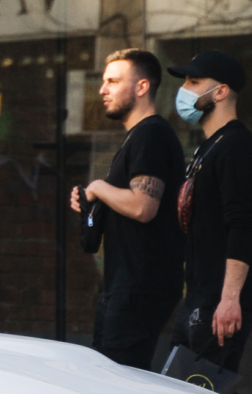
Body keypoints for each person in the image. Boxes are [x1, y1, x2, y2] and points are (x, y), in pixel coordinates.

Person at [67, 48, 186, 368]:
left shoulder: (151, 135)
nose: (102, 90)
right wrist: (93, 204)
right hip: (126, 285)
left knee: (120, 386)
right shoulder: (139, 137)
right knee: (111, 379)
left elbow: (142, 206)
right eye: (103, 82)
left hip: (139, 288)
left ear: (142, 87)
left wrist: (100, 188)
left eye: (113, 81)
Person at [169, 50, 252, 377]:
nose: (185, 89)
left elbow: (243, 226)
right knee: (186, 393)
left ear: (221, 92)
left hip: (218, 303)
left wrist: (229, 300)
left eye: (194, 81)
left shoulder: (237, 147)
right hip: (199, 298)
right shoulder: (208, 148)